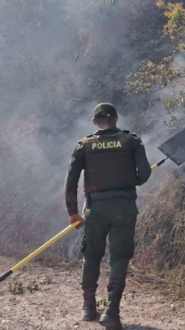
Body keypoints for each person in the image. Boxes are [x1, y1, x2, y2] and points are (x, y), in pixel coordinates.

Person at [64, 103, 151, 330]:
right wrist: (131, 181)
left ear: (95, 122)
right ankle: (111, 311)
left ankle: (88, 308)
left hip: (95, 210)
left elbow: (71, 182)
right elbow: (144, 174)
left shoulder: (84, 145)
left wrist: (73, 212)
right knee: (119, 258)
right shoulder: (131, 140)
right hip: (124, 208)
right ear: (116, 118)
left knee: (91, 256)